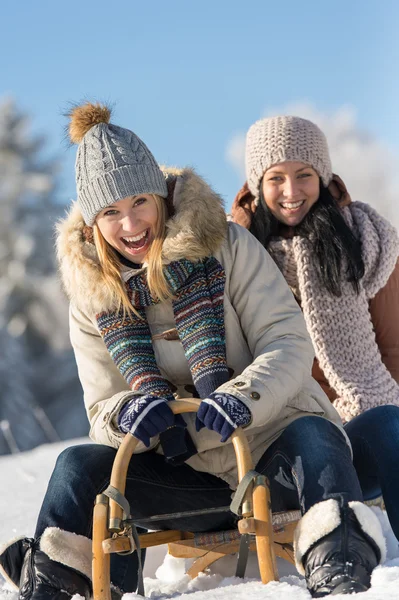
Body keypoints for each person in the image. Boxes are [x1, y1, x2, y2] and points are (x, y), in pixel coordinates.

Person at [0, 104, 386, 599]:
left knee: (314, 432)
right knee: (77, 465)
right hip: (184, 477)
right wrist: (128, 414)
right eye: (111, 212)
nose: (131, 223)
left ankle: (340, 561)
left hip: (272, 452)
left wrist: (242, 397)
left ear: (160, 196)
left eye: (140, 201)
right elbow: (102, 406)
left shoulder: (228, 247)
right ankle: (56, 579)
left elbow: (288, 340)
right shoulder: (93, 298)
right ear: (94, 221)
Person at [232, 114, 399, 544]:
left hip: (355, 433)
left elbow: (394, 351)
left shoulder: (367, 240)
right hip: (278, 449)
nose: (291, 192)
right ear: (255, 183)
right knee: (310, 432)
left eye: (304, 175)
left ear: (323, 176)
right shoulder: (232, 257)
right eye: (276, 178)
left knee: (390, 424)